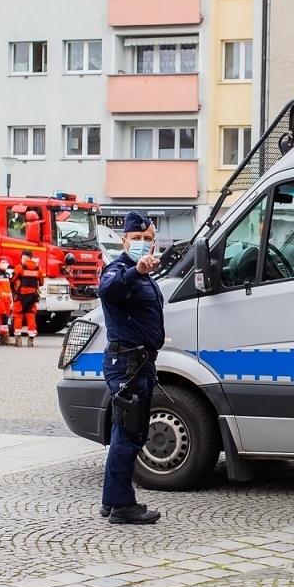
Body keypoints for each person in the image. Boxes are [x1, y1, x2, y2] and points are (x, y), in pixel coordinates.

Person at [99, 211, 164, 524]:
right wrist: (136, 271)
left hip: (138, 363)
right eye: (136, 239)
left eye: (147, 239)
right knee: (130, 435)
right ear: (124, 241)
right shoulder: (118, 270)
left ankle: (111, 500)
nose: (141, 243)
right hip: (127, 364)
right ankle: (123, 506)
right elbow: (108, 291)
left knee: (124, 433)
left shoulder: (145, 273)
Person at [14, 249, 42, 346]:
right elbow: (41, 282)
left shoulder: (20, 267)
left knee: (18, 316)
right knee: (31, 316)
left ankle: (18, 340)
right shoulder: (38, 268)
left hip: (20, 296)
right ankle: (31, 340)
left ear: (24, 257)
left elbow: (13, 279)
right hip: (32, 297)